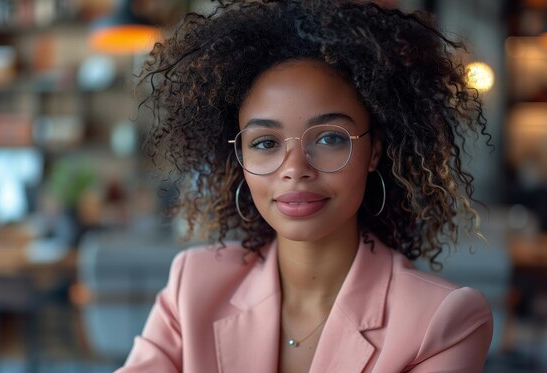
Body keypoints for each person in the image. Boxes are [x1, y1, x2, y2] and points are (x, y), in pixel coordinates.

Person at [117, 1, 493, 372]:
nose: (295, 170)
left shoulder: (440, 321)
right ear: (240, 157)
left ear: (374, 150)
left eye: (330, 139)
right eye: (265, 143)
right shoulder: (194, 285)